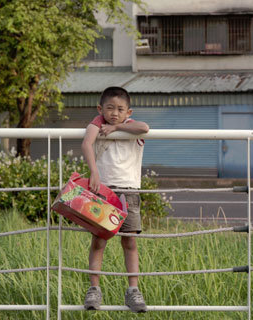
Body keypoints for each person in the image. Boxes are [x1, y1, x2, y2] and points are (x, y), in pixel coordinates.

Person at [81, 86, 150, 312]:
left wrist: (117, 127)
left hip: (129, 191)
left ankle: (133, 290)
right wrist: (94, 172)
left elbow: (145, 127)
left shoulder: (131, 127)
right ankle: (94, 289)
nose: (114, 113)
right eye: (110, 108)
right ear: (100, 108)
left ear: (128, 112)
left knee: (129, 240)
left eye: (120, 109)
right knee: (99, 240)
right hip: (103, 191)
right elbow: (86, 143)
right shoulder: (96, 124)